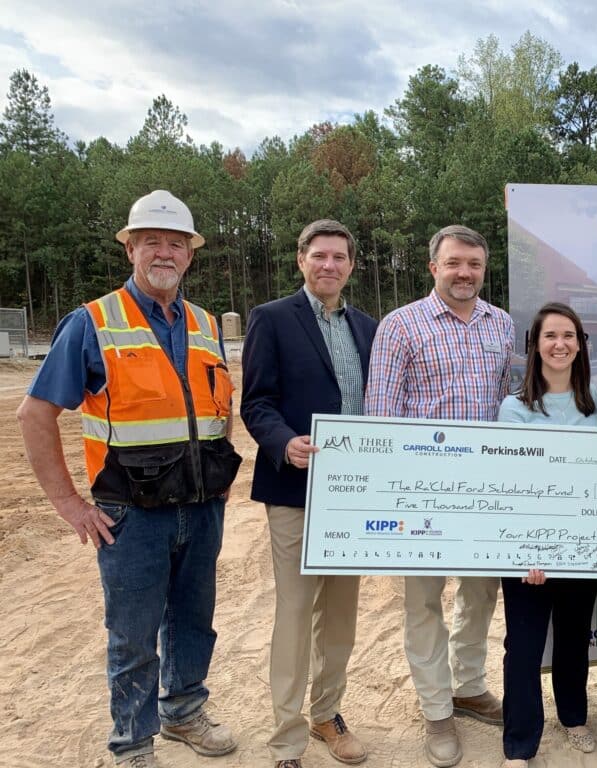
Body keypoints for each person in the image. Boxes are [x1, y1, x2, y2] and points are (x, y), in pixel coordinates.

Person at [16, 190, 242, 767]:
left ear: (190, 255)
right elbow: (36, 413)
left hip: (201, 505)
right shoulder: (93, 322)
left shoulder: (205, 323)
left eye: (175, 244)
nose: (164, 253)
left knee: (194, 623)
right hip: (130, 517)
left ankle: (184, 712)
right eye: (151, 243)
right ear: (130, 251)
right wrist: (70, 504)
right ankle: (133, 744)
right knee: (134, 636)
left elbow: (217, 408)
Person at [364, 224, 514, 767]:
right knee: (424, 604)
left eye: (474, 264)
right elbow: (380, 416)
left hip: (484, 494)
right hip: (422, 495)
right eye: (454, 263)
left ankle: (468, 686)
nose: (464, 273)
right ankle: (436, 710)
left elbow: (509, 405)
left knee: (480, 595)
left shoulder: (502, 325)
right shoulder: (401, 326)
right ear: (433, 267)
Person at [241, 220, 378, 768]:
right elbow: (256, 402)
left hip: (353, 494)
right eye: (319, 255)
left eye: (339, 257)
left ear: (350, 265)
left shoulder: (369, 326)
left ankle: (327, 712)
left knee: (341, 615)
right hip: (296, 488)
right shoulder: (271, 319)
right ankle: (286, 738)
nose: (329, 265)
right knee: (296, 613)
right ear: (301, 260)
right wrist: (283, 442)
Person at [497, 302, 597, 768]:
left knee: (574, 638)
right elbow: (512, 487)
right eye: (550, 336)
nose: (560, 344)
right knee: (522, 646)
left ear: (580, 345)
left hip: (584, 551)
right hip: (528, 555)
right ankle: (520, 743)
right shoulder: (514, 408)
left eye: (568, 336)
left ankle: (575, 718)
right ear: (535, 345)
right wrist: (529, 551)